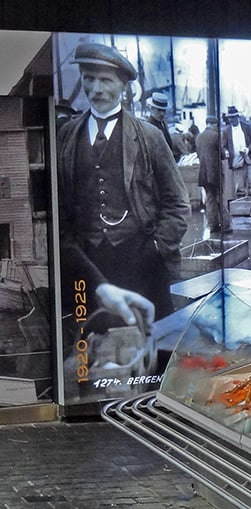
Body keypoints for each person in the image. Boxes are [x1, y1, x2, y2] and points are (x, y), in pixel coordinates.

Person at [57, 41, 190, 323]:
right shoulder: (66, 136)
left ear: (123, 86)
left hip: (142, 265)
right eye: (88, 79)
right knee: (95, 352)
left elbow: (178, 205)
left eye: (106, 80)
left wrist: (154, 249)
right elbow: (61, 211)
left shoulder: (149, 137)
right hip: (89, 269)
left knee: (151, 350)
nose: (96, 89)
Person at [195, 116, 228, 233]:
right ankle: (225, 225)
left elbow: (199, 154)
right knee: (220, 199)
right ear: (213, 124)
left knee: (210, 200)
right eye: (216, 125)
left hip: (203, 173)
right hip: (215, 173)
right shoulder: (216, 136)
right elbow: (222, 154)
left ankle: (213, 225)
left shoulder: (198, 137)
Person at [221, 105, 251, 196]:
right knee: (239, 188)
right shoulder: (226, 131)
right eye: (229, 118)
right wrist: (226, 151)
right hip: (236, 162)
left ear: (237, 117)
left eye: (233, 117)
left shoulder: (247, 127)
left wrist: (248, 149)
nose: (231, 120)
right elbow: (223, 145)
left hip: (249, 160)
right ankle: (240, 207)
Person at [145, 91, 179, 161]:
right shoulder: (148, 126)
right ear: (152, 109)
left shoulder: (163, 123)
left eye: (164, 111)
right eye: (159, 110)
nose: (162, 114)